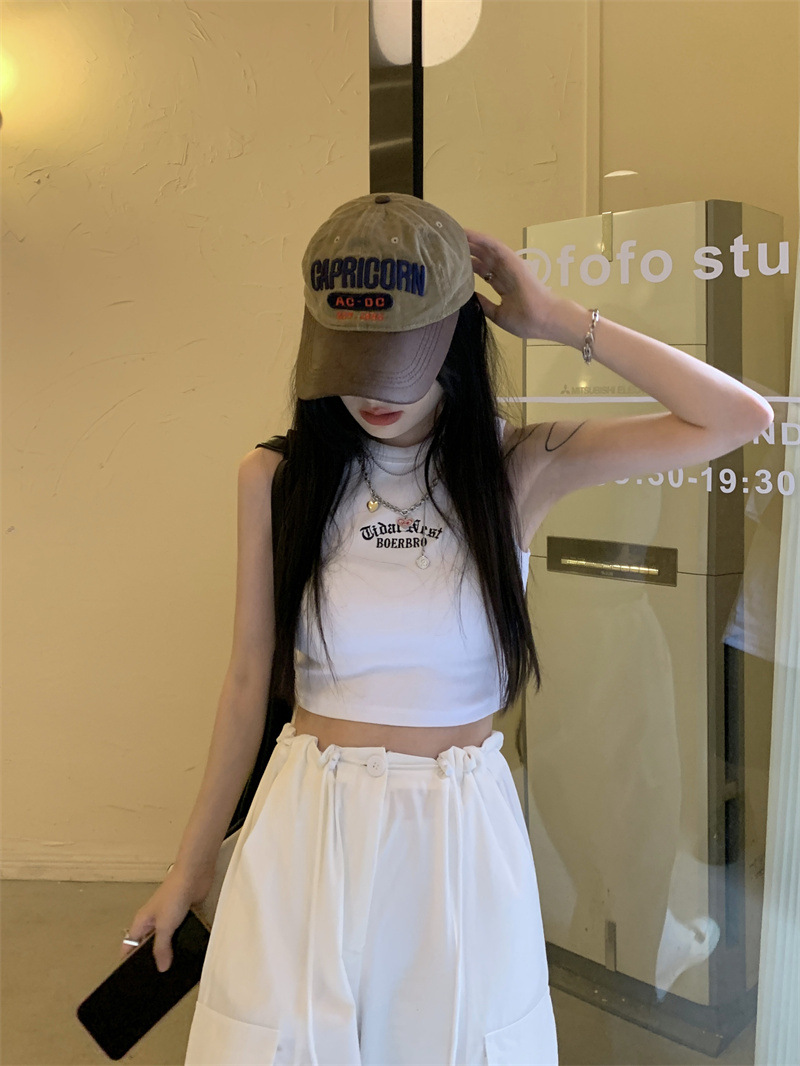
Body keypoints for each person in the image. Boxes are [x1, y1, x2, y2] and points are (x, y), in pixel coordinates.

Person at [120, 192, 773, 1065]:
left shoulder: (516, 465)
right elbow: (246, 683)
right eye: (349, 360)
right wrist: (191, 868)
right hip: (307, 822)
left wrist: (557, 319)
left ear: (456, 336)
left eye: (397, 361)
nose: (370, 392)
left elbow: (737, 418)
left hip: (455, 831)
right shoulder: (276, 477)